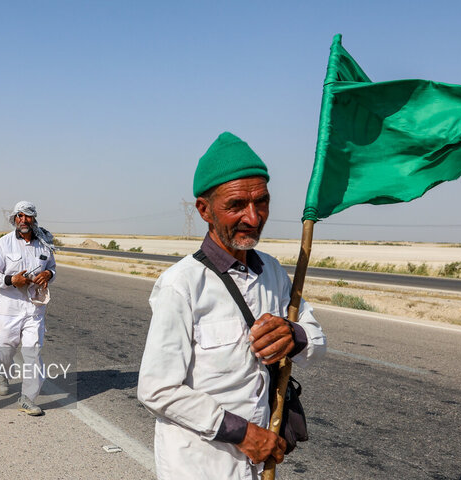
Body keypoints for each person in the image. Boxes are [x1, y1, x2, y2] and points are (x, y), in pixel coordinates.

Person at [137, 132, 327, 480]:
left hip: (258, 464)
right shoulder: (181, 285)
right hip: (199, 465)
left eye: (262, 202)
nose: (253, 218)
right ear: (204, 210)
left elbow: (316, 340)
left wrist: (293, 335)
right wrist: (244, 434)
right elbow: (156, 389)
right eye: (236, 205)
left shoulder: (272, 272)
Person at [0, 201, 56, 416]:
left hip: (35, 308)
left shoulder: (44, 244)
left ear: (34, 219)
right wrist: (11, 279)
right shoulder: (4, 243)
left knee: (32, 352)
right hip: (11, 307)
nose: (23, 220)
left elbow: (52, 268)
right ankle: (3, 373)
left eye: (27, 216)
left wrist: (48, 275)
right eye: (19, 216)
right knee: (5, 348)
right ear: (14, 219)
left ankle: (27, 398)